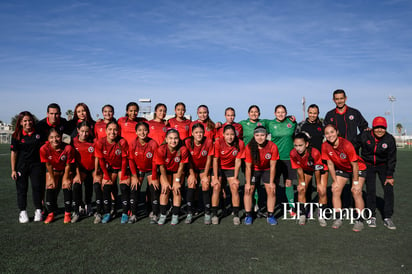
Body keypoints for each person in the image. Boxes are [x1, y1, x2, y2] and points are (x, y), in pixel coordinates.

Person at [322, 124, 367, 232]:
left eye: (332, 132)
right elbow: (330, 164)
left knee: (356, 191)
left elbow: (355, 165)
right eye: (327, 133)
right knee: (335, 189)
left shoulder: (346, 145)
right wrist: (334, 181)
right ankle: (338, 217)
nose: (330, 135)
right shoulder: (325, 146)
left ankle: (359, 220)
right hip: (343, 169)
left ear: (337, 132)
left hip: (358, 168)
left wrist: (355, 182)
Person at [355, 117, 397, 229]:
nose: (380, 130)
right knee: (370, 190)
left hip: (383, 166)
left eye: (382, 128)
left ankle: (387, 217)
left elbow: (392, 158)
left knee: (388, 189)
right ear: (372, 128)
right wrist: (357, 161)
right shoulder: (365, 135)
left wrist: (389, 176)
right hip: (368, 165)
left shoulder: (389, 139)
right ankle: (371, 216)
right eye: (377, 127)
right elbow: (354, 145)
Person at [10, 111, 45, 223]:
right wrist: (13, 170)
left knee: (37, 187)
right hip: (22, 166)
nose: (28, 123)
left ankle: (38, 210)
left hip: (36, 165)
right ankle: (23, 212)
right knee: (22, 189)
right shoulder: (16, 135)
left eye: (29, 120)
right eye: (25, 121)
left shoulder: (39, 133)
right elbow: (14, 153)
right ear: (20, 122)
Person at [94, 121, 129, 224]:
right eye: (110, 129)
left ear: (118, 131)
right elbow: (101, 161)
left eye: (115, 130)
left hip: (121, 167)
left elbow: (124, 160)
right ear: (106, 131)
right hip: (109, 168)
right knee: (106, 186)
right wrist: (106, 176)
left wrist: (122, 176)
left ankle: (125, 213)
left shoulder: (122, 142)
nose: (112, 132)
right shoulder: (100, 142)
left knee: (123, 186)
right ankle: (107, 212)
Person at [243, 126, 279, 225]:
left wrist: (272, 183)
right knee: (248, 190)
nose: (260, 137)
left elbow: (273, 166)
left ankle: (270, 215)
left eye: (262, 135)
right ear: (254, 136)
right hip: (254, 170)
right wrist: (248, 183)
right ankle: (248, 215)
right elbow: (248, 167)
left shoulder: (272, 146)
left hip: (267, 169)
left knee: (271, 190)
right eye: (257, 135)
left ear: (266, 136)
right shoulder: (249, 147)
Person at [290, 132, 327, 226]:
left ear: (306, 144)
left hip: (321, 170)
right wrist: (302, 182)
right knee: (301, 189)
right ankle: (302, 214)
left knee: (322, 190)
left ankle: (321, 215)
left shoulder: (314, 152)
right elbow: (299, 169)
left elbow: (317, 169)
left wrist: (318, 184)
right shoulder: (293, 153)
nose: (298, 148)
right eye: (296, 145)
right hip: (306, 169)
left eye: (300, 145)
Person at [266, 105, 297, 214]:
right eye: (278, 112)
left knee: (288, 183)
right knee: (275, 183)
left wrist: (291, 118)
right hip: (275, 159)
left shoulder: (292, 122)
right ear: (274, 113)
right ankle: (272, 207)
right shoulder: (270, 124)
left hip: (289, 158)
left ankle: (292, 207)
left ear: (286, 113)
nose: (280, 114)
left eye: (283, 112)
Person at [212, 125, 245, 225]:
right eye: (227, 134)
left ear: (235, 135)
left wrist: (235, 177)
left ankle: (235, 215)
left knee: (234, 187)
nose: (230, 137)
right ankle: (214, 214)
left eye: (232, 134)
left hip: (231, 168)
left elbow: (238, 161)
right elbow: (215, 160)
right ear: (223, 135)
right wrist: (216, 178)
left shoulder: (240, 143)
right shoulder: (218, 142)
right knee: (216, 187)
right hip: (219, 167)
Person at [40, 128, 75, 224]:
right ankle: (50, 214)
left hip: (65, 170)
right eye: (51, 137)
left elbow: (68, 165)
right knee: (50, 185)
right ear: (48, 138)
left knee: (66, 184)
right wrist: (51, 178)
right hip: (54, 170)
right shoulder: (44, 149)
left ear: (61, 137)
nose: (54, 140)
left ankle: (67, 214)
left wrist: (66, 178)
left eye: (57, 137)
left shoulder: (68, 148)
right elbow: (48, 165)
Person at [155, 129, 189, 225]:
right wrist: (165, 182)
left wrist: (177, 181)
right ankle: (163, 214)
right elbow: (161, 167)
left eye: (175, 138)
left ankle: (175, 215)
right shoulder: (161, 149)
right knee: (164, 190)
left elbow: (181, 167)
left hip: (177, 171)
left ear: (179, 139)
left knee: (176, 190)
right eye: (170, 138)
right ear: (166, 139)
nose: (173, 141)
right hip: (166, 172)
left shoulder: (183, 149)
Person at [128, 122, 160, 224]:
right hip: (138, 170)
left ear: (149, 131)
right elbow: (131, 161)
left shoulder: (153, 143)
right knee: (134, 187)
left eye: (145, 130)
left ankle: (154, 214)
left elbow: (155, 161)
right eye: (140, 130)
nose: (143, 132)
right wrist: (134, 176)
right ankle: (133, 214)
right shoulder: (133, 143)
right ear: (136, 132)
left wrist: (154, 177)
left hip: (151, 169)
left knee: (154, 189)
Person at [184, 123, 214, 224]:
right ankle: (189, 212)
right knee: (191, 183)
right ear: (192, 133)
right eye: (196, 132)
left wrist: (205, 174)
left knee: (205, 184)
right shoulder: (188, 142)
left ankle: (207, 212)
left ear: (204, 133)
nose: (199, 134)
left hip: (204, 168)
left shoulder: (208, 141)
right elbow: (187, 160)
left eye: (201, 132)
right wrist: (191, 174)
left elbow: (209, 159)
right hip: (192, 167)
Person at [71, 121, 96, 222]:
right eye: (82, 131)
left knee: (89, 187)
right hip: (78, 169)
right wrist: (77, 173)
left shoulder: (93, 141)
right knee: (77, 186)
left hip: (91, 169)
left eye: (87, 131)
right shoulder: (72, 142)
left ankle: (88, 205)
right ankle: (77, 209)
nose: (84, 134)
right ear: (78, 130)